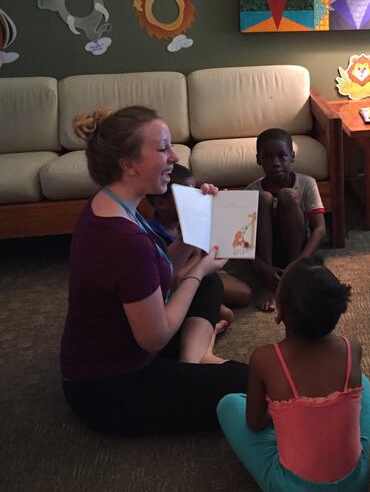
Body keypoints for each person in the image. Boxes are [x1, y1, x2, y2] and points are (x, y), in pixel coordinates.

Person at [60, 106, 248, 435]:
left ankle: (193, 361)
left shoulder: (112, 205)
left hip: (127, 346)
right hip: (111, 388)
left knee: (207, 284)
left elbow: (161, 272)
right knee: (255, 383)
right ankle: (195, 362)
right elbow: (155, 338)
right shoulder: (123, 239)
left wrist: (198, 221)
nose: (175, 156)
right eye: (162, 148)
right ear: (128, 164)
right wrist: (198, 271)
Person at [216, 255, 370, 492]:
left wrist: (284, 410)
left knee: (229, 404)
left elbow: (255, 423)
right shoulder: (351, 347)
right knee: (363, 383)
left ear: (281, 312)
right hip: (355, 488)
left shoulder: (265, 358)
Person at [146, 162, 252, 309]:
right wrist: (196, 260)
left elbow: (201, 254)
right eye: (189, 196)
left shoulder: (185, 221)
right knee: (225, 311)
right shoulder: (152, 236)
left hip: (199, 272)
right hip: (176, 285)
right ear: (162, 203)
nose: (195, 200)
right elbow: (172, 277)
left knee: (244, 294)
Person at [245, 128, 326, 312]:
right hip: (266, 252)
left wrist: (300, 261)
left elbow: (319, 228)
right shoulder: (251, 190)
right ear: (259, 159)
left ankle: (292, 277)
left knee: (287, 196)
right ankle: (269, 284)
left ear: (292, 156)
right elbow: (243, 241)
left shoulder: (307, 183)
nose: (275, 163)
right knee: (263, 197)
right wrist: (261, 267)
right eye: (268, 157)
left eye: (282, 156)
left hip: (296, 248)